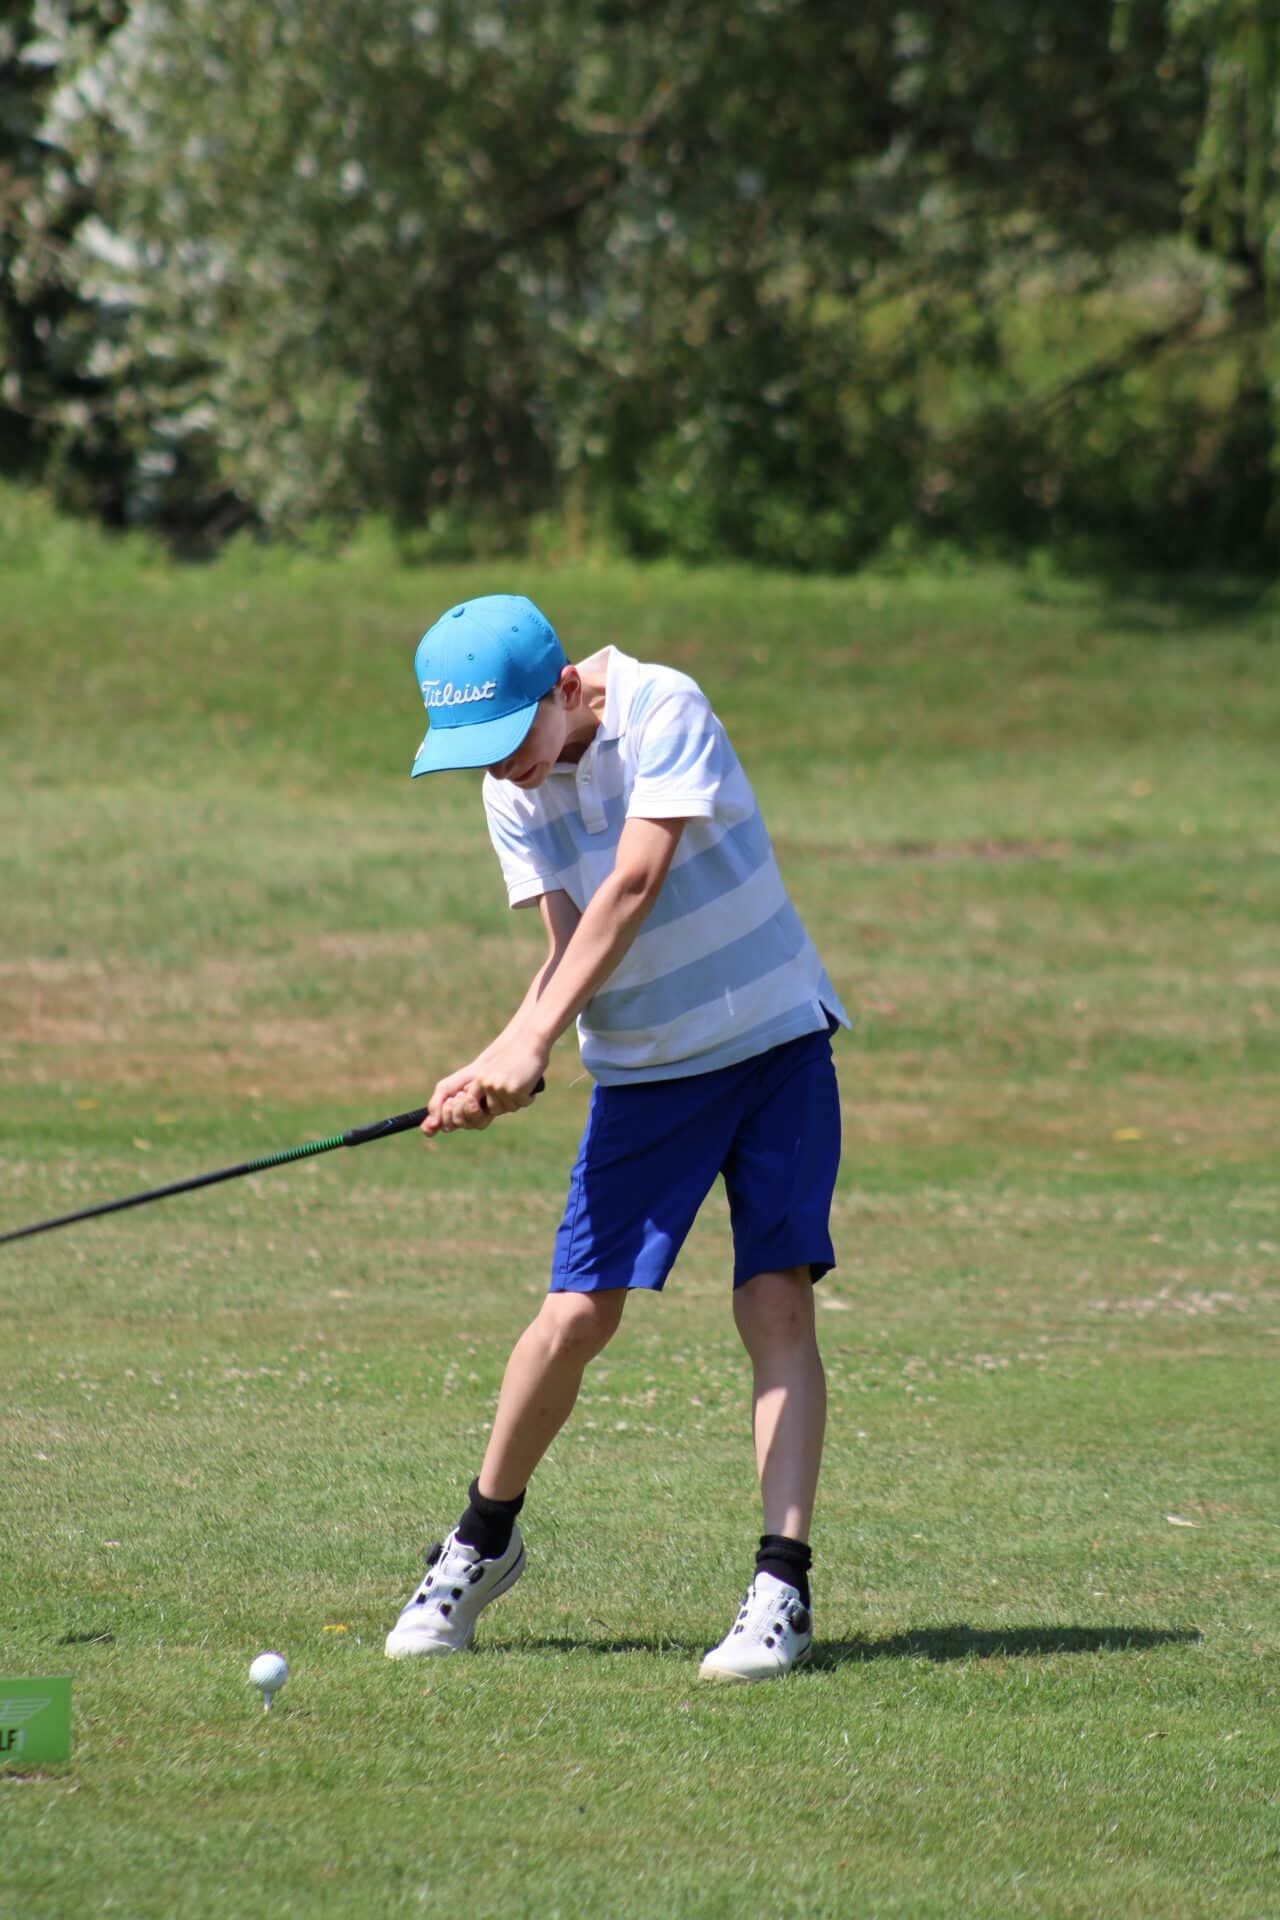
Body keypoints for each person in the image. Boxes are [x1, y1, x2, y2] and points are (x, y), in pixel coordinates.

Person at [385, 593, 848, 1682]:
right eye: (477, 753)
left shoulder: (664, 707)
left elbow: (634, 882)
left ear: (565, 688)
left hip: (774, 1041)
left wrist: (531, 1039)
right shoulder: (512, 790)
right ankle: (480, 1541)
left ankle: (780, 1588)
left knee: (775, 1302)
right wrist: (504, 1052)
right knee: (574, 1315)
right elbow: (568, 945)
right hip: (644, 1074)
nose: (501, 769)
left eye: (508, 739)